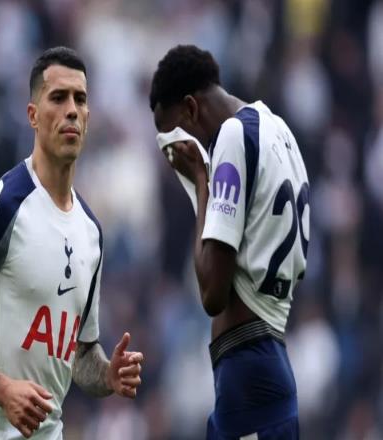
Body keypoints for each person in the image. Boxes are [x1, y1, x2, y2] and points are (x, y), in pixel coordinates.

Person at [0, 46, 144, 440]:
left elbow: (79, 353)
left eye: (80, 99)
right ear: (33, 115)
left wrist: (107, 375)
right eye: (58, 97)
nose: (71, 110)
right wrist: (2, 389)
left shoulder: (91, 231)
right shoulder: (1, 204)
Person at [150, 45, 309, 439]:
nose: (175, 151)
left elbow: (211, 293)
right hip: (267, 364)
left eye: (173, 134)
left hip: (248, 374)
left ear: (191, 108)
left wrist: (201, 183)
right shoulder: (278, 129)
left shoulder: (232, 137)